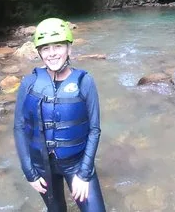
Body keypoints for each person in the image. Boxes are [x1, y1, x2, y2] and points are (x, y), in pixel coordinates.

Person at [13, 18, 106, 212]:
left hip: (76, 164)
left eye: (58, 46)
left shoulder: (85, 82)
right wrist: (29, 172)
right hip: (42, 165)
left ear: (69, 48)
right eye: (46, 48)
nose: (52, 53)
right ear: (39, 52)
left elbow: (94, 129)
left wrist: (84, 173)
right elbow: (19, 127)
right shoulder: (29, 83)